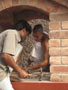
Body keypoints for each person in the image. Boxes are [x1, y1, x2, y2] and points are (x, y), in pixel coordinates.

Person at [0, 20, 32, 90]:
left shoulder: (9, 34)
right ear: (24, 30)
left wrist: (8, 76)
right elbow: (6, 56)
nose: (26, 37)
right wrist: (20, 71)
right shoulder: (13, 33)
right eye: (27, 34)